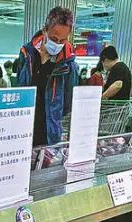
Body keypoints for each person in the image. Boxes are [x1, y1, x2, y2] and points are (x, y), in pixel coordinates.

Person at [16, 5, 77, 147]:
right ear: (45, 30)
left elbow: (68, 102)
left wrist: (54, 117)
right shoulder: (27, 55)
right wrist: (43, 64)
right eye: (54, 38)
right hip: (24, 131)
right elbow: (21, 90)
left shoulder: (69, 64)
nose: (57, 44)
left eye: (62, 40)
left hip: (51, 134)